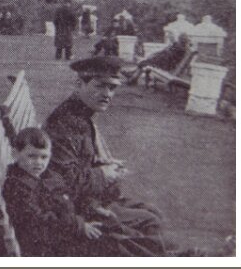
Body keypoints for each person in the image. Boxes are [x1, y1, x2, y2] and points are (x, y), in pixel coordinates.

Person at [44, 56, 166, 256]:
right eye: (100, 86)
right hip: (74, 212)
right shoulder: (65, 123)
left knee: (152, 213)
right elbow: (64, 181)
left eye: (112, 88)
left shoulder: (80, 115)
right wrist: (104, 174)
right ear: (79, 84)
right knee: (150, 220)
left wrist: (102, 164)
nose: (107, 94)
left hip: (85, 201)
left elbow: (77, 162)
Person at [2, 127, 104, 256]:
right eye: (32, 156)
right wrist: (78, 225)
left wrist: (90, 206)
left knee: (110, 226)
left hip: (67, 226)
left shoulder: (45, 176)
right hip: (47, 245)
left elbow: (67, 194)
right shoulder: (18, 187)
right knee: (107, 243)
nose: (38, 162)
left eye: (44, 157)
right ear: (15, 154)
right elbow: (40, 221)